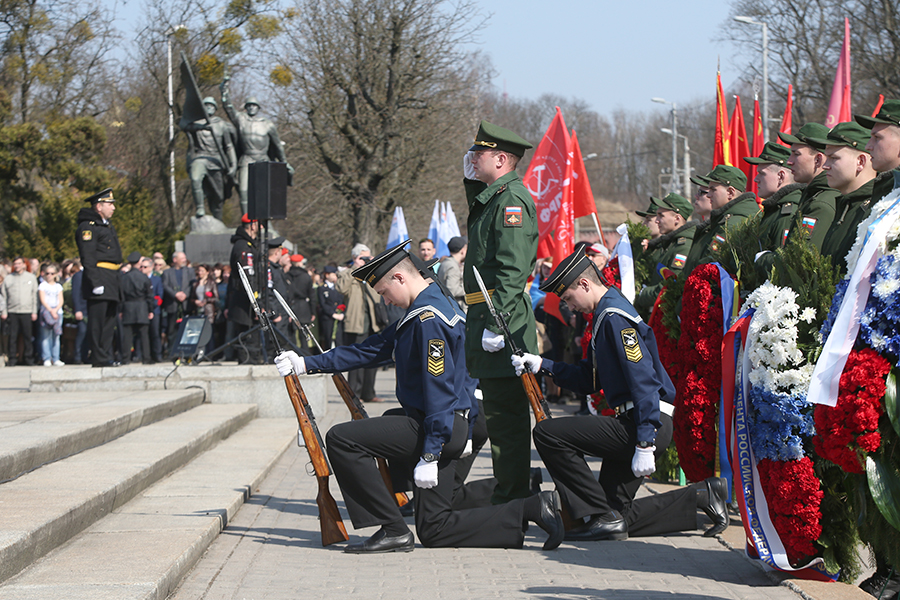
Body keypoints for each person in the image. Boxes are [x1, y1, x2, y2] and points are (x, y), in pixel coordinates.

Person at [274, 242, 564, 553]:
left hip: (439, 427)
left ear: (400, 278)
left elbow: (439, 390)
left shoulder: (429, 320)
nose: (386, 300)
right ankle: (532, 507)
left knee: (343, 439)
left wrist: (430, 453)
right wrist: (306, 363)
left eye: (385, 292)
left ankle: (392, 528)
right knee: (434, 528)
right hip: (449, 424)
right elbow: (370, 350)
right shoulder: (431, 307)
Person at [514, 248, 730, 541]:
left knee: (548, 434)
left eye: (568, 298)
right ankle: (703, 496)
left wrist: (644, 441)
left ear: (584, 284)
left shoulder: (614, 317)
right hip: (637, 420)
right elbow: (589, 379)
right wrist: (543, 365)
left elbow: (643, 380)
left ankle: (597, 515)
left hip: (644, 423)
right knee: (617, 516)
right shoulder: (604, 314)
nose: (569, 307)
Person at [462, 120, 539, 503]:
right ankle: (510, 495)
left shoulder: (511, 202)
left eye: (480, 154)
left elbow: (512, 270)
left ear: (501, 159)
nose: (473, 158)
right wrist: (471, 181)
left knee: (506, 420)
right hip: (488, 316)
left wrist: (498, 322)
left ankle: (513, 501)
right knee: (497, 415)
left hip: (501, 321)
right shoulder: (495, 198)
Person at [809, 122, 877, 275]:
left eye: (833, 158)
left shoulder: (876, 209)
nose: (825, 166)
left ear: (860, 162)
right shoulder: (846, 204)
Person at [221, 78, 293, 215]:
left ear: (258, 108)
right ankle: (246, 221)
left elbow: (278, 145)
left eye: (254, 105)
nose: (251, 108)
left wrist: (284, 162)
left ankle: (262, 221)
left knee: (262, 193)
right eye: (249, 105)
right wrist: (224, 90)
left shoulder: (267, 124)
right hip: (247, 159)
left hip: (263, 160)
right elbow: (228, 107)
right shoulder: (241, 119)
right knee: (243, 190)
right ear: (246, 107)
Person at [681, 166, 759, 278]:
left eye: (713, 189)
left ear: (730, 192)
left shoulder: (731, 223)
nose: (709, 195)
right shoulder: (724, 221)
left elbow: (709, 264)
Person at [75, 188, 123, 368]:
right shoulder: (88, 227)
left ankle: (105, 355)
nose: (113, 208)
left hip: (112, 277)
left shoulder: (107, 226)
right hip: (100, 276)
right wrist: (95, 282)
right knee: (97, 321)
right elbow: (88, 257)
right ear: (98, 206)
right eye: (109, 204)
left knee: (109, 320)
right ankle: (98, 356)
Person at [633, 193, 697, 320]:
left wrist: (641, 294)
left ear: (677, 219)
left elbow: (670, 286)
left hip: (667, 318)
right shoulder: (671, 244)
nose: (657, 220)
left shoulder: (682, 247)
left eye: (661, 216)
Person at [779, 123, 839, 252]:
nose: (789, 161)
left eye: (796, 154)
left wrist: (763, 259)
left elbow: (801, 259)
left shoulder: (821, 204)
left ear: (818, 160)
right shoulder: (813, 195)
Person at [337, 243, 384, 402]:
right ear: (354, 258)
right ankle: (354, 394)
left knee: (373, 359)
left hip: (373, 322)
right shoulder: (346, 273)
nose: (365, 260)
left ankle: (369, 393)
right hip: (356, 323)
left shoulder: (372, 273)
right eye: (362, 257)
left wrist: (372, 265)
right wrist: (355, 268)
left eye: (367, 257)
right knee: (356, 359)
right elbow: (341, 289)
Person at [181, 96, 237, 220]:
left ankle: (218, 220)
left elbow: (229, 146)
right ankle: (200, 207)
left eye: (211, 105)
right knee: (195, 178)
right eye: (206, 105)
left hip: (216, 161)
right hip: (200, 157)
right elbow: (183, 125)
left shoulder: (221, 124)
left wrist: (233, 165)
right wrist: (202, 127)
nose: (209, 107)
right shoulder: (196, 122)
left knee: (218, 196)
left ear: (215, 108)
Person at [745, 142, 804, 252]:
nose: (756, 179)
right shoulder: (775, 210)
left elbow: (781, 259)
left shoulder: (786, 215)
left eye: (762, 173)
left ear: (781, 177)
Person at [226, 214, 260, 363]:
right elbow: (248, 275)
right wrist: (255, 301)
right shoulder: (243, 246)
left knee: (251, 335)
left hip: (247, 297)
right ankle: (247, 360)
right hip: (245, 299)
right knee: (247, 336)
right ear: (252, 226)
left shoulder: (249, 244)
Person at [1, 257, 38, 366]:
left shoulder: (31, 278)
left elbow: (34, 296)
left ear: (24, 265)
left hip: (27, 311)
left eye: (19, 263)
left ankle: (28, 358)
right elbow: (4, 297)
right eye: (15, 264)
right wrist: (4, 312)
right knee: (13, 337)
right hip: (12, 311)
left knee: (27, 337)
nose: (17, 266)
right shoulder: (8, 279)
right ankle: (12, 358)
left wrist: (34, 311)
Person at [120, 251, 154, 364]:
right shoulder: (144, 277)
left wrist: (121, 309)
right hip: (142, 306)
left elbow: (121, 295)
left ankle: (125, 358)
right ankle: (146, 358)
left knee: (127, 335)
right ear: (139, 262)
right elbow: (149, 295)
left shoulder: (124, 278)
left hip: (128, 306)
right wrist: (150, 309)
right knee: (144, 335)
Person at [161, 251, 195, 353]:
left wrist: (185, 294)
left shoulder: (190, 271)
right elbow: (165, 286)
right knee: (172, 330)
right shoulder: (167, 272)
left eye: (185, 258)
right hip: (173, 305)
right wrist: (175, 294)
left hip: (186, 305)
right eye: (182, 258)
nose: (184, 260)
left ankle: (187, 351)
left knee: (187, 329)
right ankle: (172, 351)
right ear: (175, 260)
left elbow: (192, 285)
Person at [37, 262, 64, 366]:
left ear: (56, 274)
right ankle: (46, 358)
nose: (49, 275)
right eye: (47, 273)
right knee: (46, 336)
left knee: (56, 336)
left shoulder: (58, 286)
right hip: (46, 312)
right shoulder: (42, 285)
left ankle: (56, 358)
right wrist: (50, 310)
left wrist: (55, 310)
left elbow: (61, 300)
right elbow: (43, 300)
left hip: (57, 312)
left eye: (52, 273)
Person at [139, 257, 165, 362]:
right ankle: (142, 355)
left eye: (145, 267)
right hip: (142, 310)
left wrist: (152, 307)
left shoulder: (156, 279)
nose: (142, 269)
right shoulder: (139, 278)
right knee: (142, 334)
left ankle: (157, 354)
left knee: (155, 333)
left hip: (154, 310)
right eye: (141, 267)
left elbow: (159, 295)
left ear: (150, 268)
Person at [317, 265, 344, 350]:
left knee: (339, 340)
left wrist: (342, 313)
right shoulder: (322, 288)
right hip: (328, 318)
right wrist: (332, 314)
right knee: (328, 340)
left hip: (339, 316)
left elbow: (342, 300)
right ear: (327, 275)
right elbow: (323, 304)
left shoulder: (337, 287)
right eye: (333, 274)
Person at [436, 235, 467, 311]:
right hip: (455, 308)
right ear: (463, 250)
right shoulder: (452, 266)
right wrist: (468, 288)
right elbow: (452, 290)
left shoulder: (445, 263)